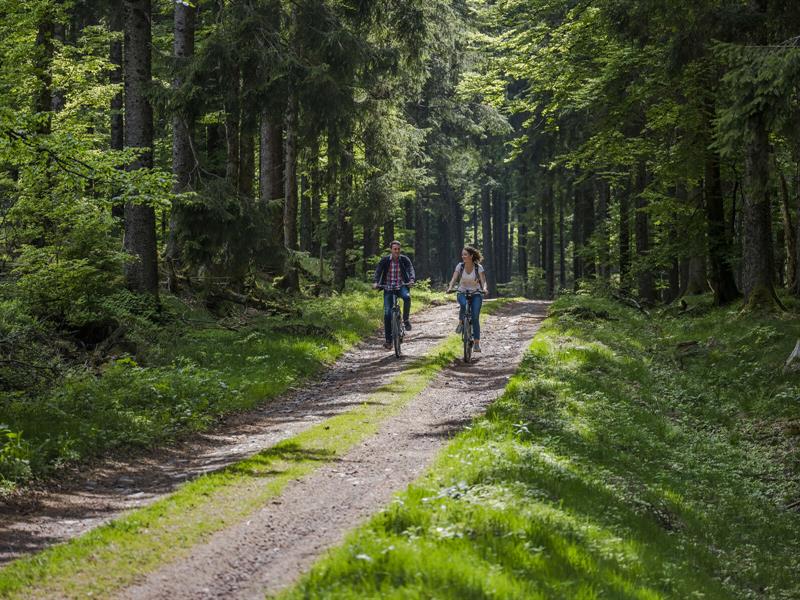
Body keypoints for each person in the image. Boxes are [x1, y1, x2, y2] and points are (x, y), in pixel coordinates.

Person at [373, 241, 416, 350]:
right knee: (387, 313)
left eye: (398, 249)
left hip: (401, 286)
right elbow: (378, 271)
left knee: (407, 297)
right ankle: (388, 341)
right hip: (388, 287)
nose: (397, 251)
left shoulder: (404, 259)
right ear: (391, 250)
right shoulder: (385, 260)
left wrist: (411, 280)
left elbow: (411, 269)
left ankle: (405, 320)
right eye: (394, 249)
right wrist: (376, 282)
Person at [446, 246, 488, 353]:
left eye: (465, 254)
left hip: (476, 293)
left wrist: (484, 289)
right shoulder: (460, 266)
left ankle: (476, 344)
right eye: (462, 254)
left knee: (475, 317)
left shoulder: (478, 267)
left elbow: (483, 281)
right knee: (463, 304)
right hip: (462, 291)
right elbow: (454, 278)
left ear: (471, 256)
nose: (463, 256)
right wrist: (450, 287)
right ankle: (461, 323)